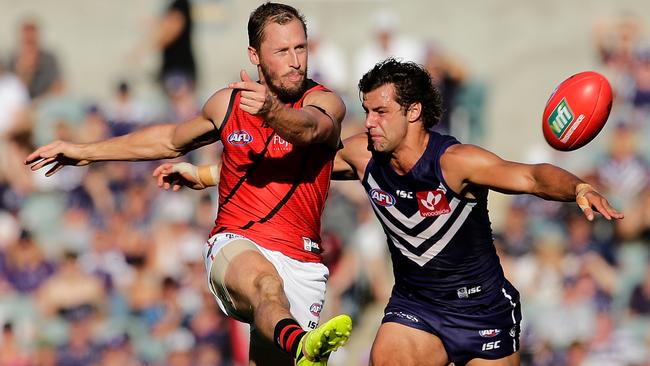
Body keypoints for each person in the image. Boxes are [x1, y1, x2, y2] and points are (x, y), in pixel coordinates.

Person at [155, 59, 624, 366]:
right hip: (416, 306)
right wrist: (203, 176)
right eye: (366, 111)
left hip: (483, 310)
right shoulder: (364, 157)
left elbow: (533, 176)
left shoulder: (455, 163)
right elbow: (289, 164)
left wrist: (577, 186)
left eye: (380, 112)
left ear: (413, 112)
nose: (369, 122)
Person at [25, 3, 352, 366]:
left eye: (300, 48)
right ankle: (305, 346)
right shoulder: (228, 104)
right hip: (236, 242)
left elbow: (309, 130)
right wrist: (87, 152)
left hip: (301, 261)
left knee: (272, 327)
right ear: (254, 56)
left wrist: (270, 115)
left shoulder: (325, 102)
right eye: (282, 51)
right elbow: (170, 139)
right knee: (265, 285)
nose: (295, 61)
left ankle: (298, 345)